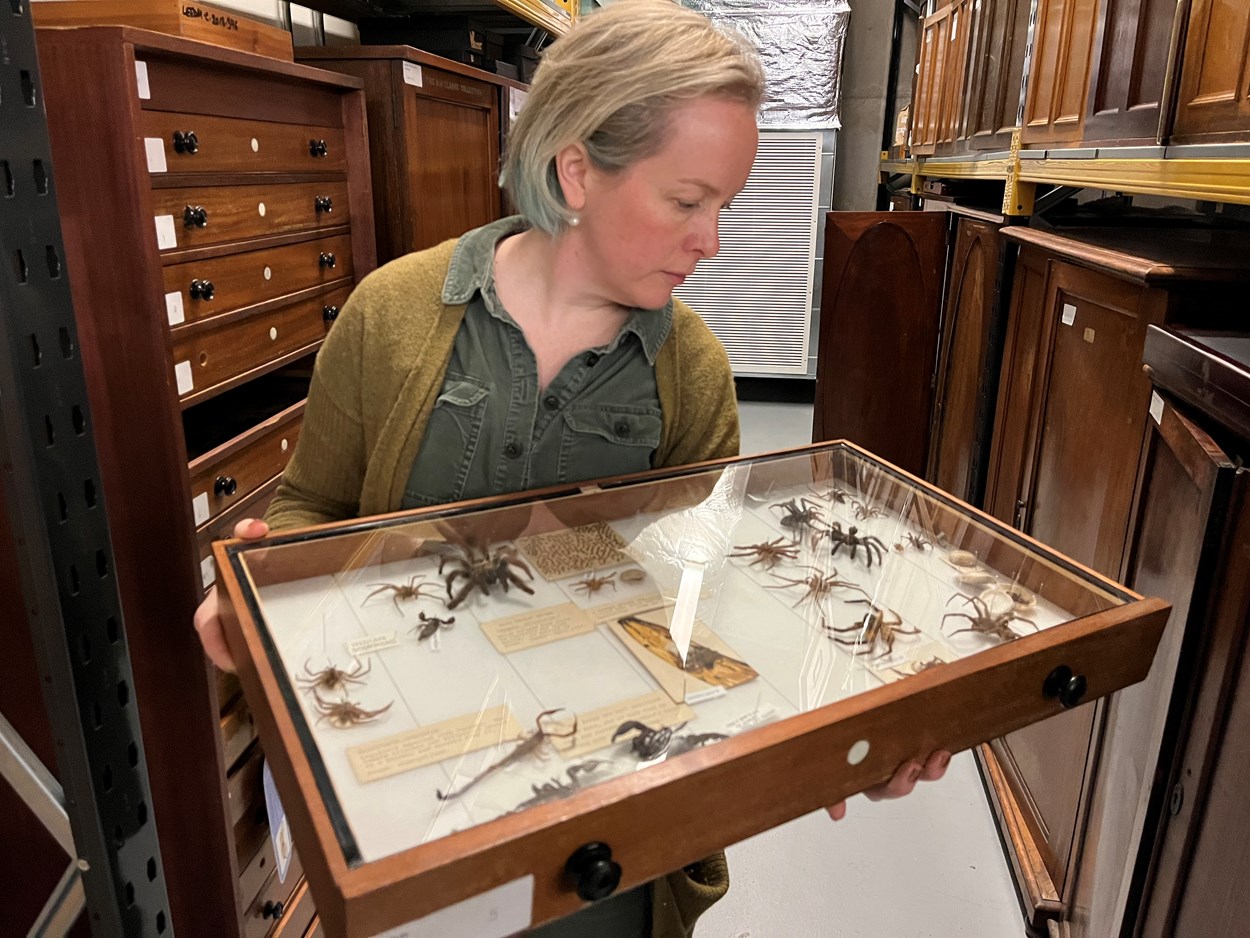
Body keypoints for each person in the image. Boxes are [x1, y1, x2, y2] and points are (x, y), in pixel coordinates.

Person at [193, 1, 948, 935]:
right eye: (686, 201)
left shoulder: (692, 371)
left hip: (610, 817)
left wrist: (848, 729)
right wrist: (259, 599)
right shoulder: (394, 314)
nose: (711, 241)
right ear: (578, 168)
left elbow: (709, 608)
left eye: (726, 207)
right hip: (411, 799)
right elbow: (314, 506)